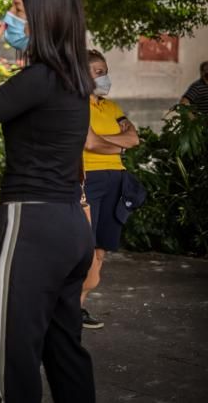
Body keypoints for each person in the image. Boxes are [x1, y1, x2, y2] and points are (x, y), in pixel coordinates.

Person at [0, 0, 96, 403]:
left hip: (31, 225)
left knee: (16, 355)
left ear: (41, 18)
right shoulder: (76, 81)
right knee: (64, 348)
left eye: (16, 10)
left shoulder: (37, 79)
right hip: (69, 225)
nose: (8, 18)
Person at [79, 50, 140, 329]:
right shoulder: (77, 105)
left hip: (116, 181)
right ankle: (66, 307)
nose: (105, 77)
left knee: (102, 249)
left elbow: (134, 138)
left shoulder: (112, 107)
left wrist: (105, 141)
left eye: (105, 71)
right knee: (85, 248)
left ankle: (78, 307)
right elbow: (88, 144)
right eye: (98, 72)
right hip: (88, 179)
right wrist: (118, 143)